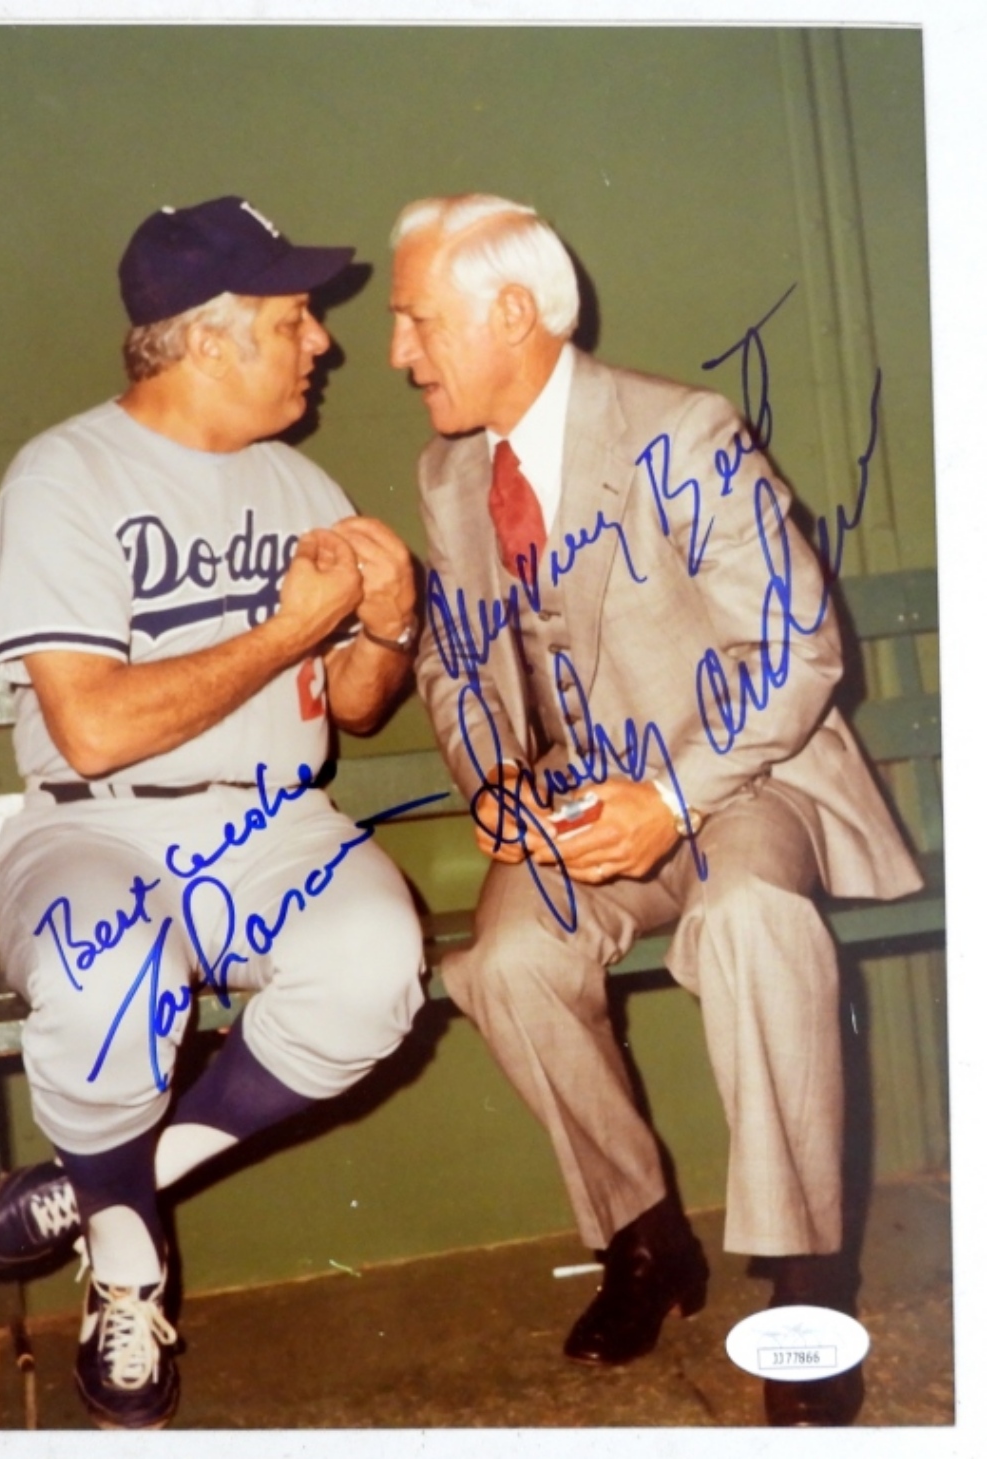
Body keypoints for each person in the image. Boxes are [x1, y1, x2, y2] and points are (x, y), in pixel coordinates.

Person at [388, 192, 922, 1428]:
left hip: (739, 785)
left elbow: (797, 648)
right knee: (506, 962)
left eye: (418, 321)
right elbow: (452, 663)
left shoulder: (680, 431)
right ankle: (643, 1238)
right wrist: (493, 777)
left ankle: (805, 1282)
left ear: (509, 313)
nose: (400, 352)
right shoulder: (447, 473)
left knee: (750, 922)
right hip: (583, 807)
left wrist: (670, 796)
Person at [0, 195, 424, 1430]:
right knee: (105, 969)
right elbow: (93, 728)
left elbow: (355, 706)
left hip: (271, 827)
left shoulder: (300, 479)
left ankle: (107, 1186)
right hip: (94, 824)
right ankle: (126, 1273)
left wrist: (387, 627)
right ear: (209, 340)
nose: (321, 341)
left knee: (377, 965)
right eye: (293, 318)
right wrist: (285, 630)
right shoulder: (63, 475)